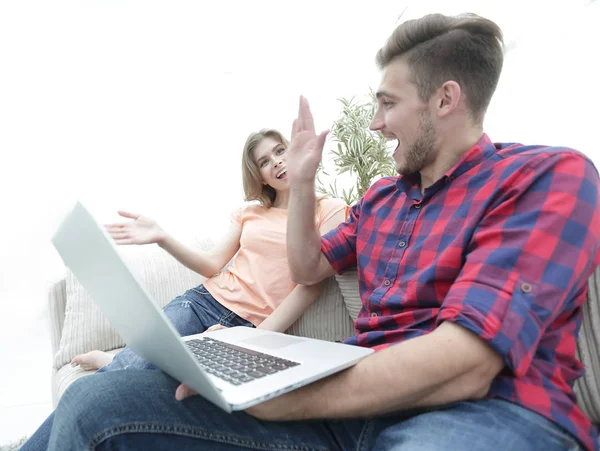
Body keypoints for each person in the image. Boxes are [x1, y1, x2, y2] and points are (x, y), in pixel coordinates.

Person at [35, 12, 600, 451]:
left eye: (387, 103)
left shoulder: (546, 177)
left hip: (491, 413)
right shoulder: (382, 199)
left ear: (444, 99)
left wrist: (281, 399)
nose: (375, 123)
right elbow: (306, 269)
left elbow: (468, 364)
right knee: (95, 402)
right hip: (350, 413)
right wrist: (302, 181)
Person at [20, 127, 346, 450]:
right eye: (264, 161)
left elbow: (311, 285)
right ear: (259, 176)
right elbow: (211, 264)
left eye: (279, 151)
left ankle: (117, 361)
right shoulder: (249, 212)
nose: (275, 162)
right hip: (200, 304)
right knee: (109, 383)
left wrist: (251, 338)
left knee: (143, 379)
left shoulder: (328, 210)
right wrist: (162, 237)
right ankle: (117, 364)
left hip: (244, 326)